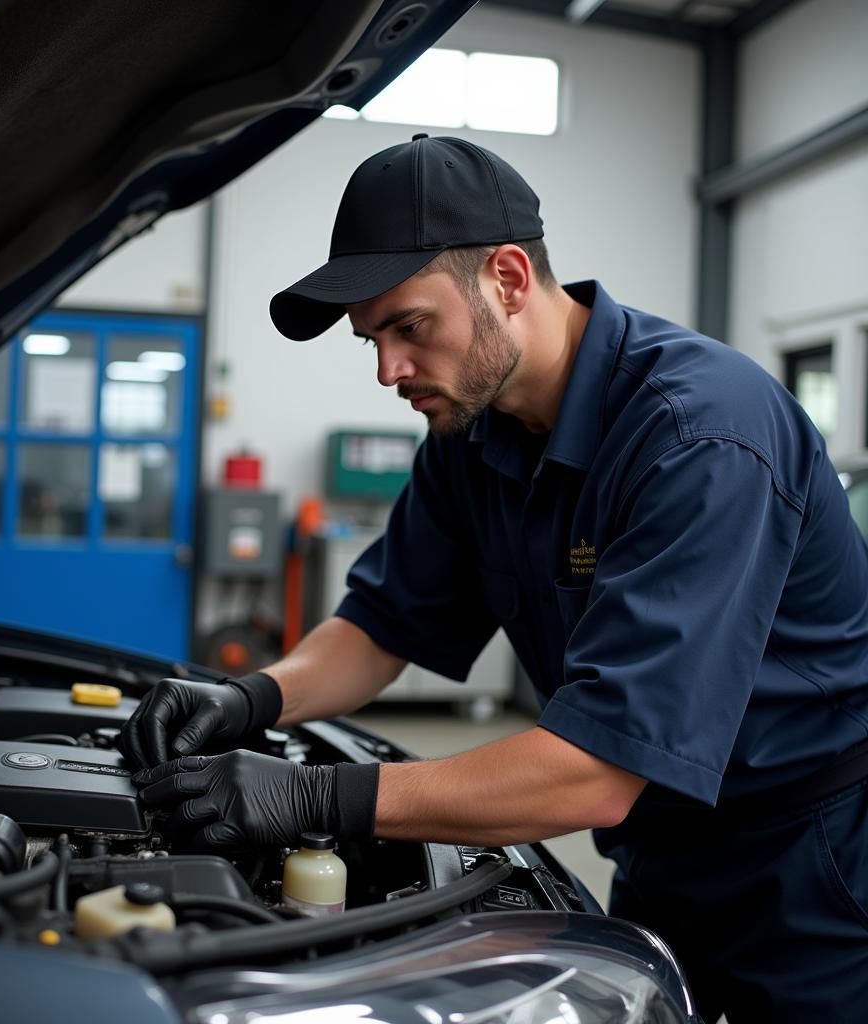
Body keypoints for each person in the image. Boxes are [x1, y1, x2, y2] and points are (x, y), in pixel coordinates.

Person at [121, 134, 868, 1021]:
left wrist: (316, 795)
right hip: (661, 855)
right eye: (372, 339)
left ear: (510, 279)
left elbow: (595, 770)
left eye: (410, 327)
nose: (388, 370)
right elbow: (379, 628)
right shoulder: (469, 433)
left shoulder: (701, 435)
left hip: (807, 871)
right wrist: (250, 698)